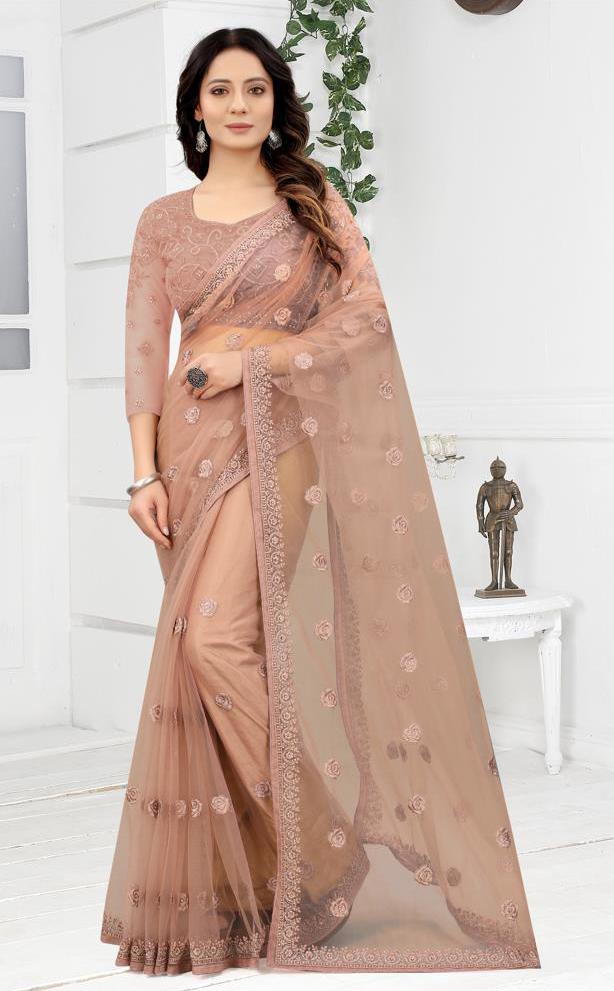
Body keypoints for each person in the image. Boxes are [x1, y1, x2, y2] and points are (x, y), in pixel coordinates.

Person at [100, 25, 541, 979]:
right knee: (216, 653)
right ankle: (258, 879)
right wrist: (142, 473)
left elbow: (364, 316)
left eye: (255, 89)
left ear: (276, 103)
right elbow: (140, 350)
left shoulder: (309, 201)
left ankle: (330, 846)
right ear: (195, 106)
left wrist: (258, 356)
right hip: (184, 451)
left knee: (216, 640)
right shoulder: (161, 221)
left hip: (279, 440)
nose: (239, 105)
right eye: (222, 90)